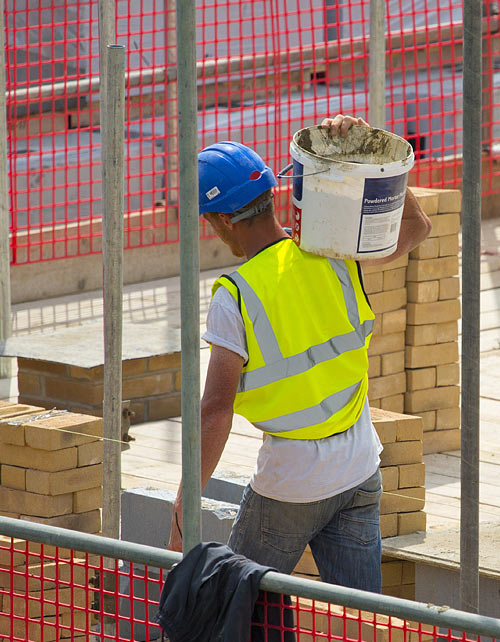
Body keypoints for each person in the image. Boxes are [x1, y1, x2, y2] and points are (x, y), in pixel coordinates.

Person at [168, 114, 432, 592]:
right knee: (361, 625)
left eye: (209, 222)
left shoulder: (237, 294)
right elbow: (416, 224)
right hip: (358, 467)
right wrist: (364, 154)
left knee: (229, 611)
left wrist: (184, 508)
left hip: (291, 483)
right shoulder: (332, 254)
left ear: (224, 220)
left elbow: (215, 412)